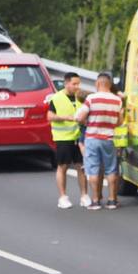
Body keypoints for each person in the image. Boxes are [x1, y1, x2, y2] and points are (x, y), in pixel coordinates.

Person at [76, 73, 125, 210]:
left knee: (93, 170)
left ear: (98, 84)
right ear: (109, 85)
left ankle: (96, 200)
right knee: (111, 169)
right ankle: (111, 201)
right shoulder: (117, 101)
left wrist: (88, 121)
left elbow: (80, 117)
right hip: (108, 139)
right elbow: (120, 121)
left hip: (92, 138)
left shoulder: (91, 98)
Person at [45, 72, 89, 209]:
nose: (77, 86)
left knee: (81, 167)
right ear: (66, 83)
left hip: (79, 137)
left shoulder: (81, 97)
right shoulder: (57, 98)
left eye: (78, 84)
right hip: (63, 138)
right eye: (74, 84)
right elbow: (50, 116)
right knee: (62, 167)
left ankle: (84, 196)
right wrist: (66, 117)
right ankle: (63, 197)